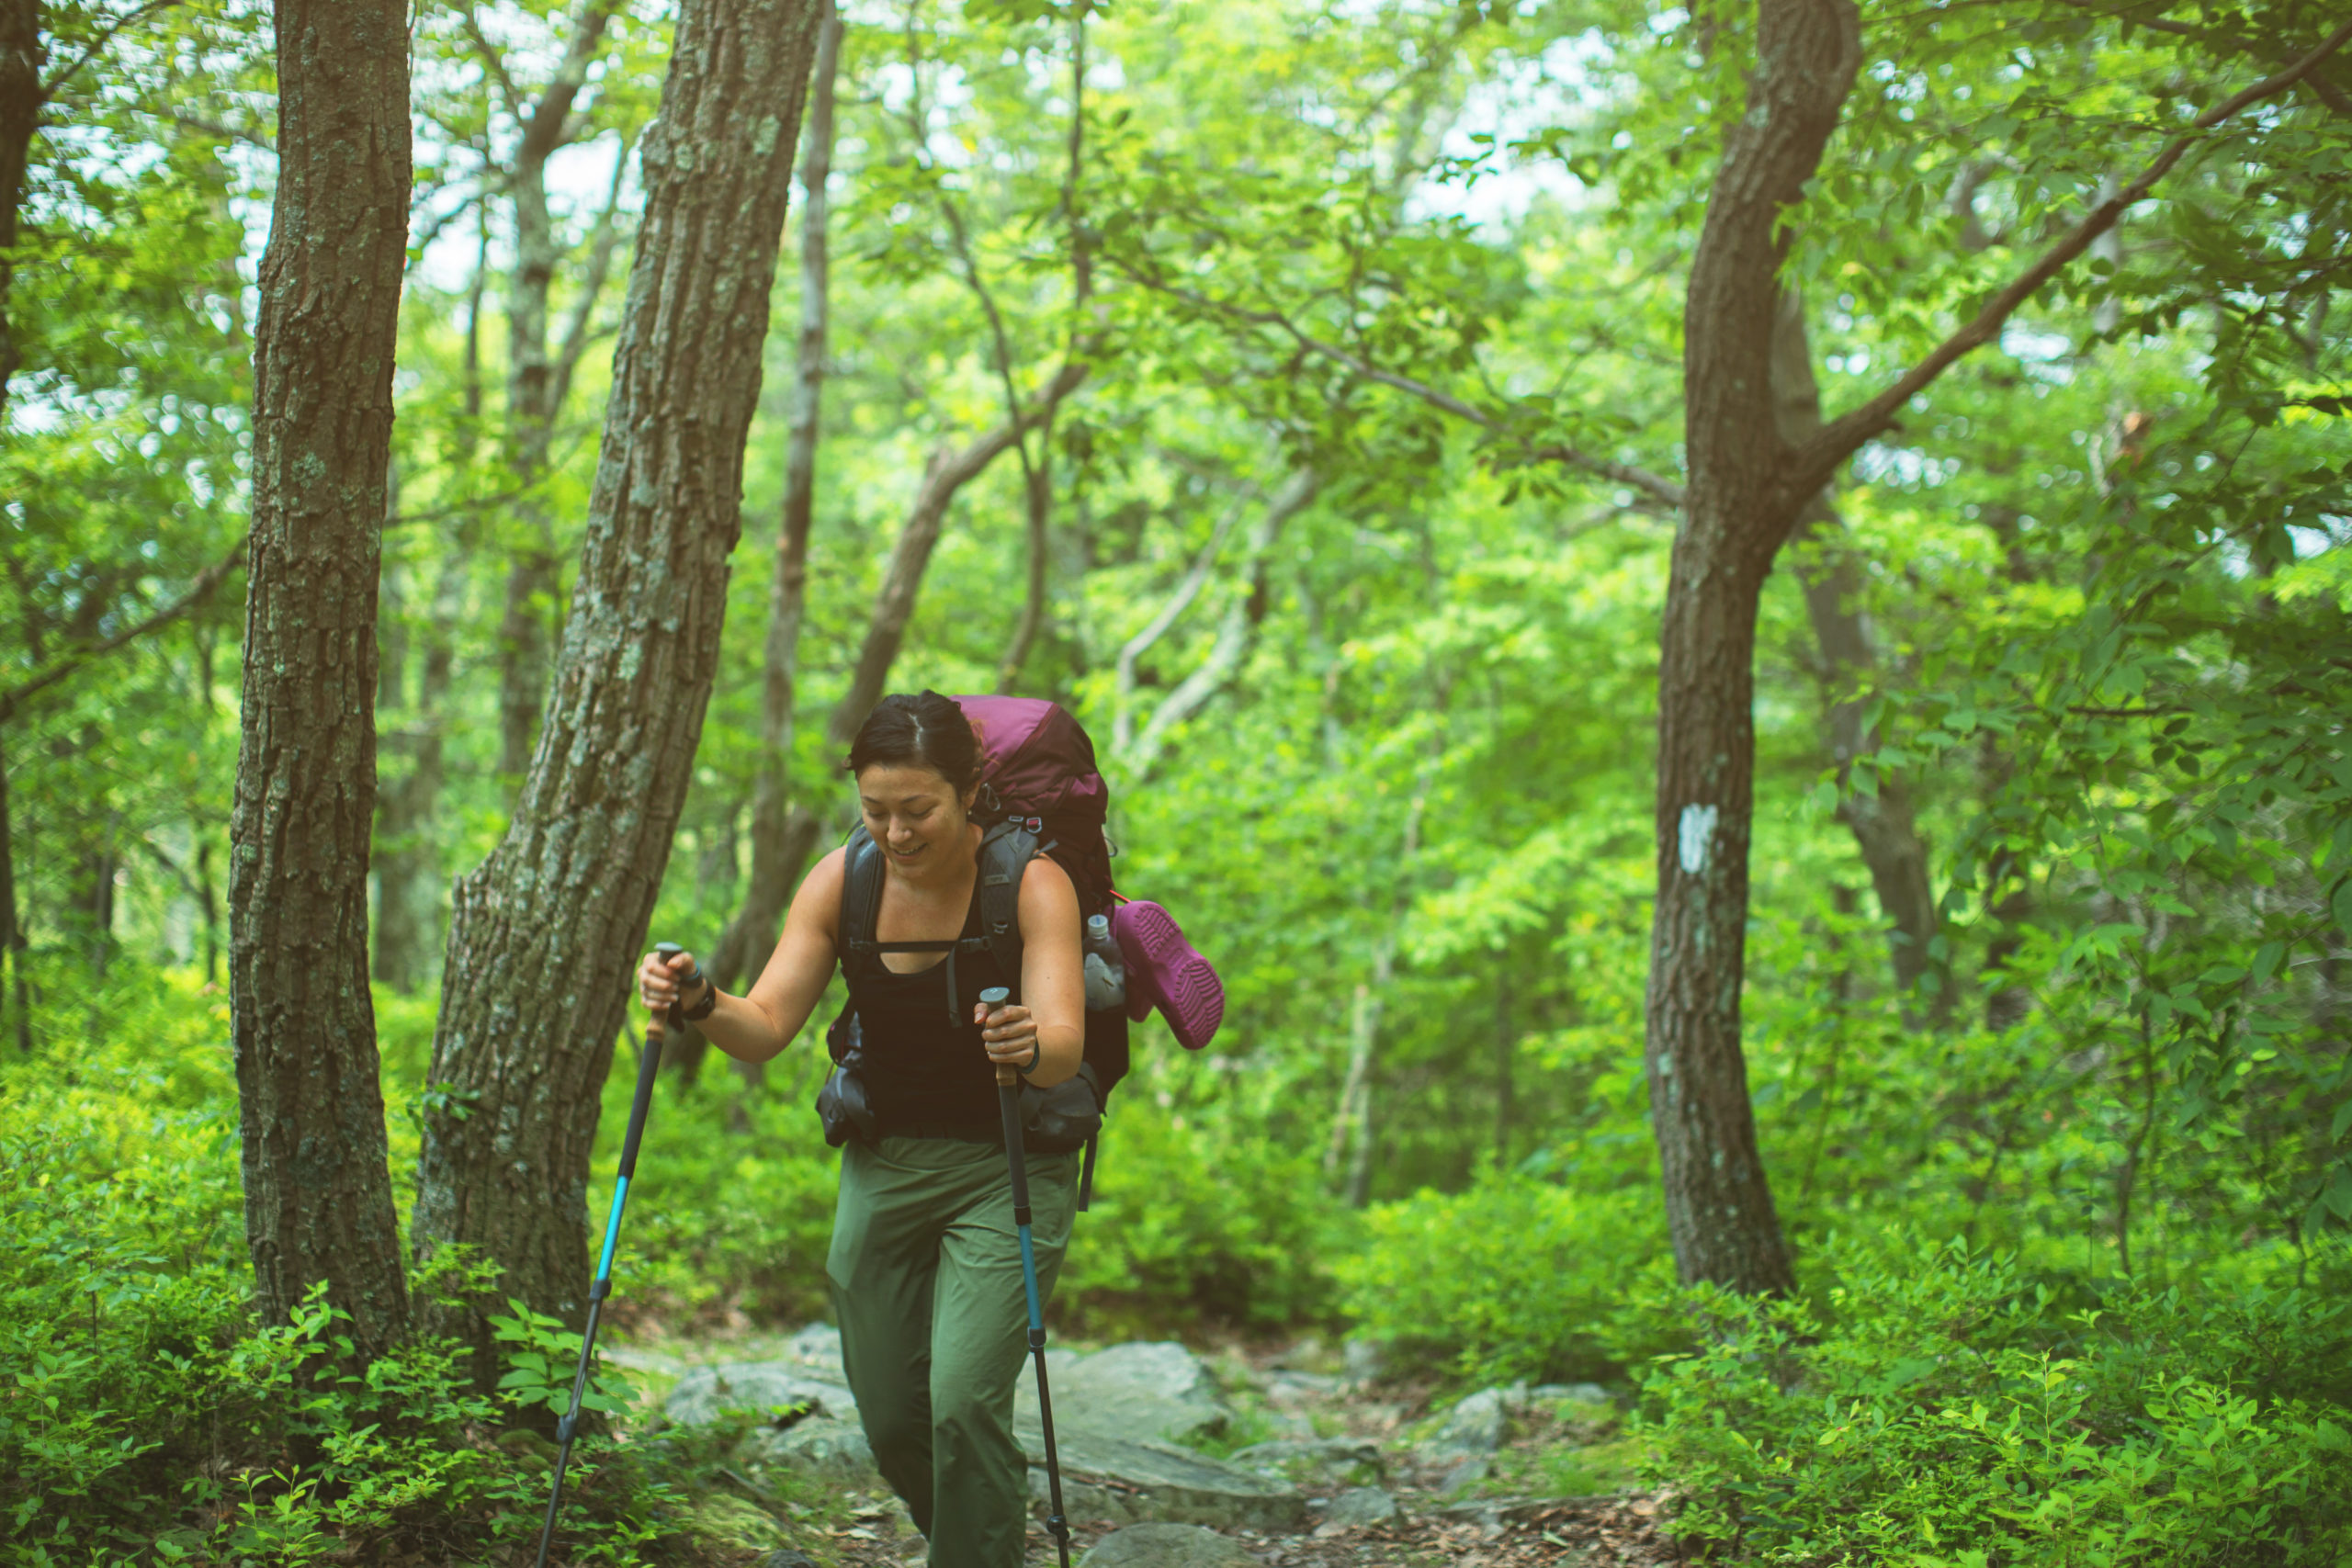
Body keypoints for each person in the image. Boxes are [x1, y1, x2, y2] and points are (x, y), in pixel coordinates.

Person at [637, 691, 1082, 1567]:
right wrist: (698, 999)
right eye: (875, 810)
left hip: (1008, 1166)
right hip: (887, 1163)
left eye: (917, 810)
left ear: (967, 792)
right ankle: (975, 1535)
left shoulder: (1030, 880)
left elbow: (1064, 1046)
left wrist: (1031, 1040)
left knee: (961, 1399)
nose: (896, 831)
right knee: (889, 1414)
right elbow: (763, 1027)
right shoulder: (845, 879)